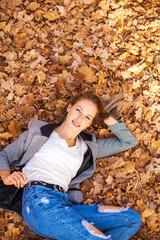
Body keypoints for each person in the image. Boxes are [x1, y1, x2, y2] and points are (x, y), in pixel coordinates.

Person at [0, 91, 141, 240]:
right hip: (38, 201)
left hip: (64, 205)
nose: (80, 118)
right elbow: (4, 155)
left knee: (131, 219)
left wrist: (104, 116)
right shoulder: (39, 133)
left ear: (90, 123)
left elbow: (128, 142)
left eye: (87, 117)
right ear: (69, 107)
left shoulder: (88, 147)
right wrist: (6, 177)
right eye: (78, 110)